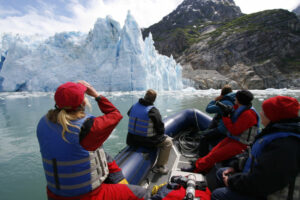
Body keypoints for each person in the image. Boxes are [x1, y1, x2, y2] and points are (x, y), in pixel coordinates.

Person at [37, 81, 149, 200]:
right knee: (142, 193)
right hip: (88, 196)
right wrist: (96, 95)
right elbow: (115, 114)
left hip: (54, 195)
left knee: (103, 154)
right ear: (82, 103)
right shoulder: (87, 128)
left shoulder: (43, 122)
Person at [211, 96, 300, 200]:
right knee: (221, 172)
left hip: (270, 194)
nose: (261, 113)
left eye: (264, 111)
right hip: (260, 182)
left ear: (274, 116)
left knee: (218, 194)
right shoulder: (276, 131)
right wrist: (236, 166)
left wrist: (231, 181)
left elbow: (263, 182)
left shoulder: (285, 145)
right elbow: (257, 158)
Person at [192, 90, 259, 173]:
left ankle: (196, 169)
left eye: (236, 98)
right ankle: (201, 167)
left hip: (242, 144)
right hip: (233, 139)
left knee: (215, 155)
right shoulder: (243, 108)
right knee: (213, 152)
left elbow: (234, 130)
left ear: (238, 100)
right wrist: (228, 110)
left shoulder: (249, 114)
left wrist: (225, 117)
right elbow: (234, 112)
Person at [127, 89, 173, 174]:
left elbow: (129, 114)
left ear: (145, 96)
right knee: (168, 142)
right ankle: (159, 167)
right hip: (146, 141)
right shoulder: (153, 111)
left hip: (131, 140)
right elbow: (160, 129)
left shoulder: (134, 106)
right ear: (154, 99)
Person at [198, 85, 236, 157]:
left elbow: (208, 109)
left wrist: (215, 100)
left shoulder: (225, 103)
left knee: (204, 137)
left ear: (222, 94)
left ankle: (202, 158)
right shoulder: (235, 101)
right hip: (232, 129)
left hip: (224, 129)